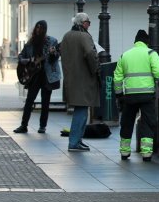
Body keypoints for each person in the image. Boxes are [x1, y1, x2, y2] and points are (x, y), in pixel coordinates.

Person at [114, 29, 159, 161]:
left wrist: (119, 94)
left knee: (127, 122)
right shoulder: (150, 53)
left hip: (130, 96)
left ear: (135, 41)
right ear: (147, 42)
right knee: (147, 122)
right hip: (147, 95)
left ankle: (124, 152)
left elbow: (117, 77)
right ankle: (146, 153)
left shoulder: (125, 55)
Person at [59, 12, 100, 152]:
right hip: (84, 80)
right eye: (88, 22)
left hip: (71, 79)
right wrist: (96, 68)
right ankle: (74, 141)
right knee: (81, 112)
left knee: (80, 110)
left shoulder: (66, 36)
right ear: (83, 23)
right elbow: (90, 54)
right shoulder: (84, 36)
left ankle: (77, 140)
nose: (89, 24)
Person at [14, 21, 61, 134]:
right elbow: (21, 56)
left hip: (47, 76)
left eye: (41, 28)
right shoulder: (30, 43)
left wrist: (53, 53)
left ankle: (42, 126)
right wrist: (29, 61)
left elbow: (56, 57)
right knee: (29, 100)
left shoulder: (52, 41)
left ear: (45, 29)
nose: (38, 30)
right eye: (37, 28)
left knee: (45, 102)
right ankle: (23, 125)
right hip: (33, 76)